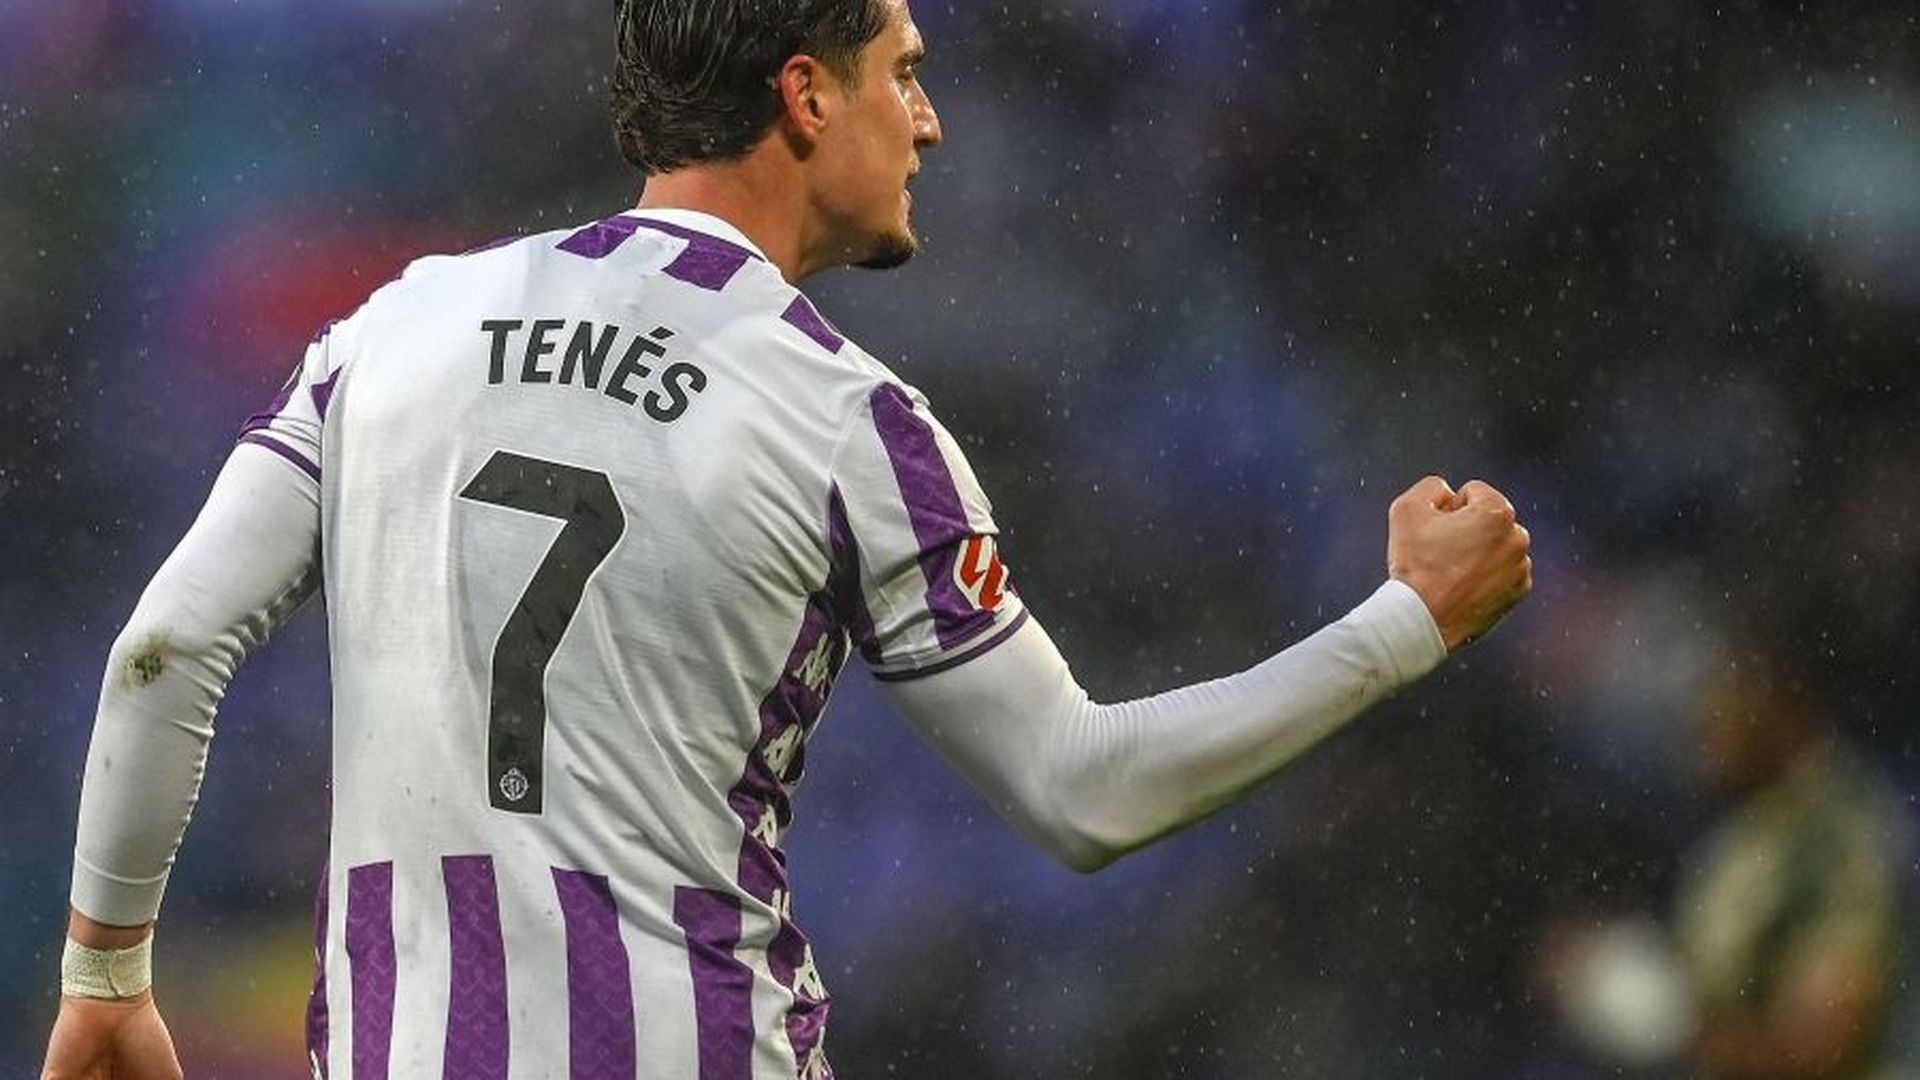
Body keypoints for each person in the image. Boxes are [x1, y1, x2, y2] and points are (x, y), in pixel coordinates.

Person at [42, 1, 1532, 1076]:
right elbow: (1086, 793)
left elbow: (165, 651)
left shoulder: (391, 331)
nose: (931, 118)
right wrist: (1405, 623)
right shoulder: (845, 418)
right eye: (905, 73)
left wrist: (107, 978)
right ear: (807, 96)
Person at [1674, 634, 1911, 1080]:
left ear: (1776, 706)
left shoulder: (1835, 831)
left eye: (1726, 704)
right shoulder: (1752, 830)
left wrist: (1671, 1030)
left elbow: (1823, 1045)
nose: (1707, 725)